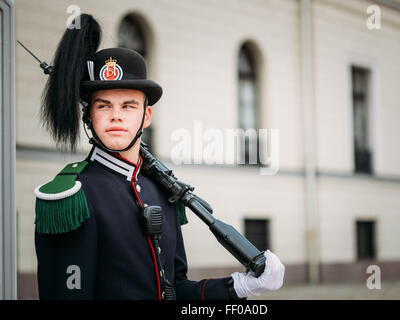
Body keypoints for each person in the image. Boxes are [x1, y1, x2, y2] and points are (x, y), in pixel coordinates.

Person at [34, 13, 284, 300]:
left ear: (146, 115)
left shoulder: (161, 190)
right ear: (89, 116)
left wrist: (238, 286)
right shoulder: (71, 197)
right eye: (104, 106)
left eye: (128, 106)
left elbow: (175, 290)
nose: (116, 115)